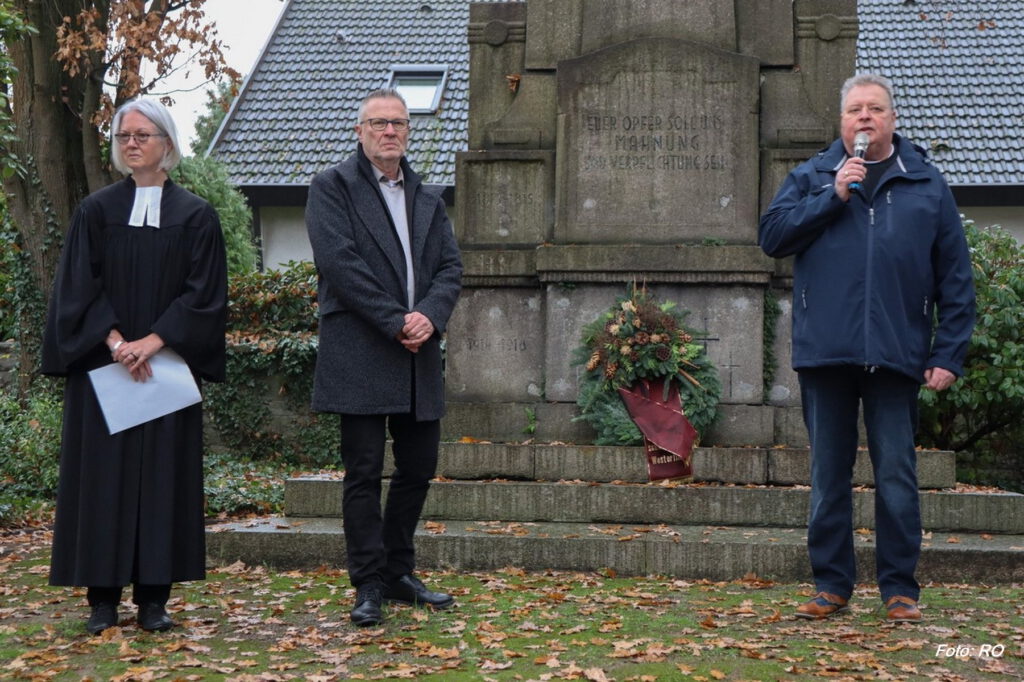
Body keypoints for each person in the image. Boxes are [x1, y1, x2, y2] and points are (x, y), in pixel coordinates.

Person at [758, 73, 975, 623]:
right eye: (855, 109)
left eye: (875, 109)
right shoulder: (812, 176)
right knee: (829, 477)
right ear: (842, 121)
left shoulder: (926, 183)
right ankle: (832, 585)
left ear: (892, 120)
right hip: (826, 354)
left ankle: (900, 589)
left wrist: (948, 353)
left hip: (897, 355)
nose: (864, 118)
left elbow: (956, 279)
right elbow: (773, 238)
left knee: (897, 477)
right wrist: (831, 197)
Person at [42, 99, 228, 634]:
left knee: (162, 480)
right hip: (104, 371)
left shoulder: (196, 216)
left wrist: (154, 340)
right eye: (124, 135)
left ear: (167, 144)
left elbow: (206, 295)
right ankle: (102, 600)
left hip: (165, 372)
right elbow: (76, 287)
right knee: (101, 481)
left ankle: (153, 600)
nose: (131, 143)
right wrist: (118, 341)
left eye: (143, 135)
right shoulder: (95, 212)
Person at [305, 88, 463, 627]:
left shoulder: (426, 196)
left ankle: (398, 571)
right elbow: (340, 265)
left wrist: (430, 316)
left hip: (418, 353)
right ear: (360, 131)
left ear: (408, 132)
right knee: (364, 472)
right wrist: (398, 319)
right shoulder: (332, 187)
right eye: (378, 123)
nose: (389, 131)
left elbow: (449, 269)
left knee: (418, 467)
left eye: (397, 123)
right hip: (361, 350)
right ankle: (367, 583)